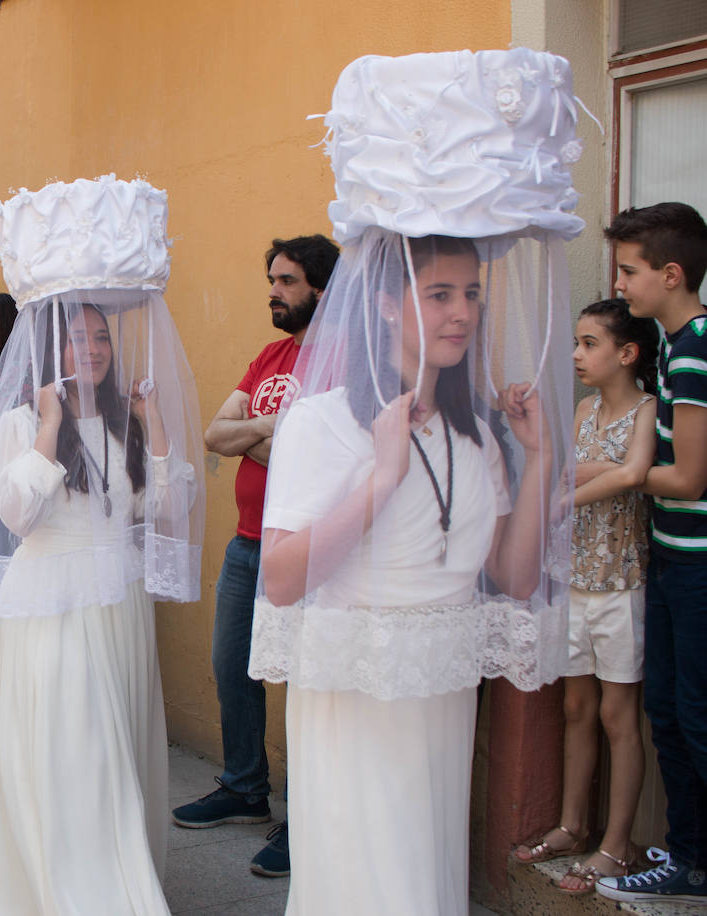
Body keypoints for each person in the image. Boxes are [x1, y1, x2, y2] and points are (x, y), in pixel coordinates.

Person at [248, 49, 581, 916]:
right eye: (440, 294)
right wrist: (381, 476)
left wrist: (537, 455)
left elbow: (510, 577)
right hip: (357, 697)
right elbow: (281, 578)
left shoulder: (477, 430)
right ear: (391, 302)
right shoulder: (322, 422)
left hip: (438, 697)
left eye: (471, 293)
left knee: (423, 880)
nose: (464, 312)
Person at [0, 176, 205, 913]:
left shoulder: (128, 427)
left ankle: (117, 872)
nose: (93, 348)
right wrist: (45, 428)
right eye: (78, 335)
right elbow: (14, 515)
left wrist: (155, 420)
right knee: (71, 750)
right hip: (51, 607)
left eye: (102, 335)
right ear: (50, 343)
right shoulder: (20, 423)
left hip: (119, 605)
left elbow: (167, 506)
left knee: (118, 749)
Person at [179, 234, 338, 878]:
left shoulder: (342, 361)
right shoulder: (271, 356)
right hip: (248, 542)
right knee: (232, 666)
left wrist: (261, 436)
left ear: (322, 289)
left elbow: (325, 456)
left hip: (306, 551)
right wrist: (276, 429)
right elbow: (215, 435)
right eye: (272, 278)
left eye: (287, 280)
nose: (273, 290)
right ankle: (245, 788)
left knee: (304, 685)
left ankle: (307, 822)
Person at [514, 298, 657, 893]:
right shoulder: (584, 410)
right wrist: (595, 467)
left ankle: (617, 845)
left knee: (618, 716)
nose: (576, 354)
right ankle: (573, 825)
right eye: (576, 342)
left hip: (622, 585)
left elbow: (632, 473)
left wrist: (576, 488)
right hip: (576, 581)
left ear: (626, 354)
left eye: (589, 343)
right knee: (576, 709)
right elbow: (579, 467)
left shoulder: (648, 409)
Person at [596, 202, 707, 906]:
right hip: (669, 560)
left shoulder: (695, 346)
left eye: (630, 272)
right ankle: (691, 862)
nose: (623, 285)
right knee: (666, 713)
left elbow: (689, 476)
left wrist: (618, 478)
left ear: (671, 274)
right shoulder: (671, 344)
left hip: (697, 566)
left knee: (694, 718)